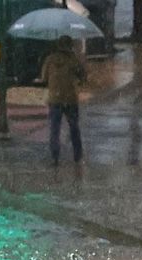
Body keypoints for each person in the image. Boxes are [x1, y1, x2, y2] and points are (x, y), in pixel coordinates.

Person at [41, 36, 85, 166]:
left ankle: (55, 157)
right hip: (70, 99)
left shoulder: (50, 59)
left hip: (55, 98)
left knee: (55, 129)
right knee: (74, 128)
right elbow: (82, 76)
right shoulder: (73, 60)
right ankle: (77, 156)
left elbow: (43, 78)